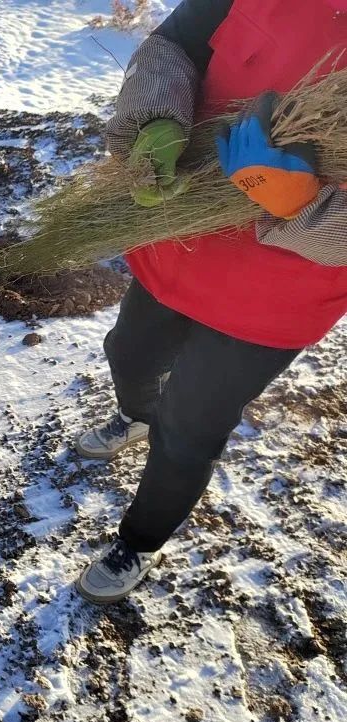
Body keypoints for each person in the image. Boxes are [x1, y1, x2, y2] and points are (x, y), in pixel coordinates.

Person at [75, 0, 347, 603]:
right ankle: (134, 415)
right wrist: (154, 122)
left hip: (278, 295)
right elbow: (176, 45)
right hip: (184, 237)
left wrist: (303, 207)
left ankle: (139, 542)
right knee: (130, 353)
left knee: (190, 426)